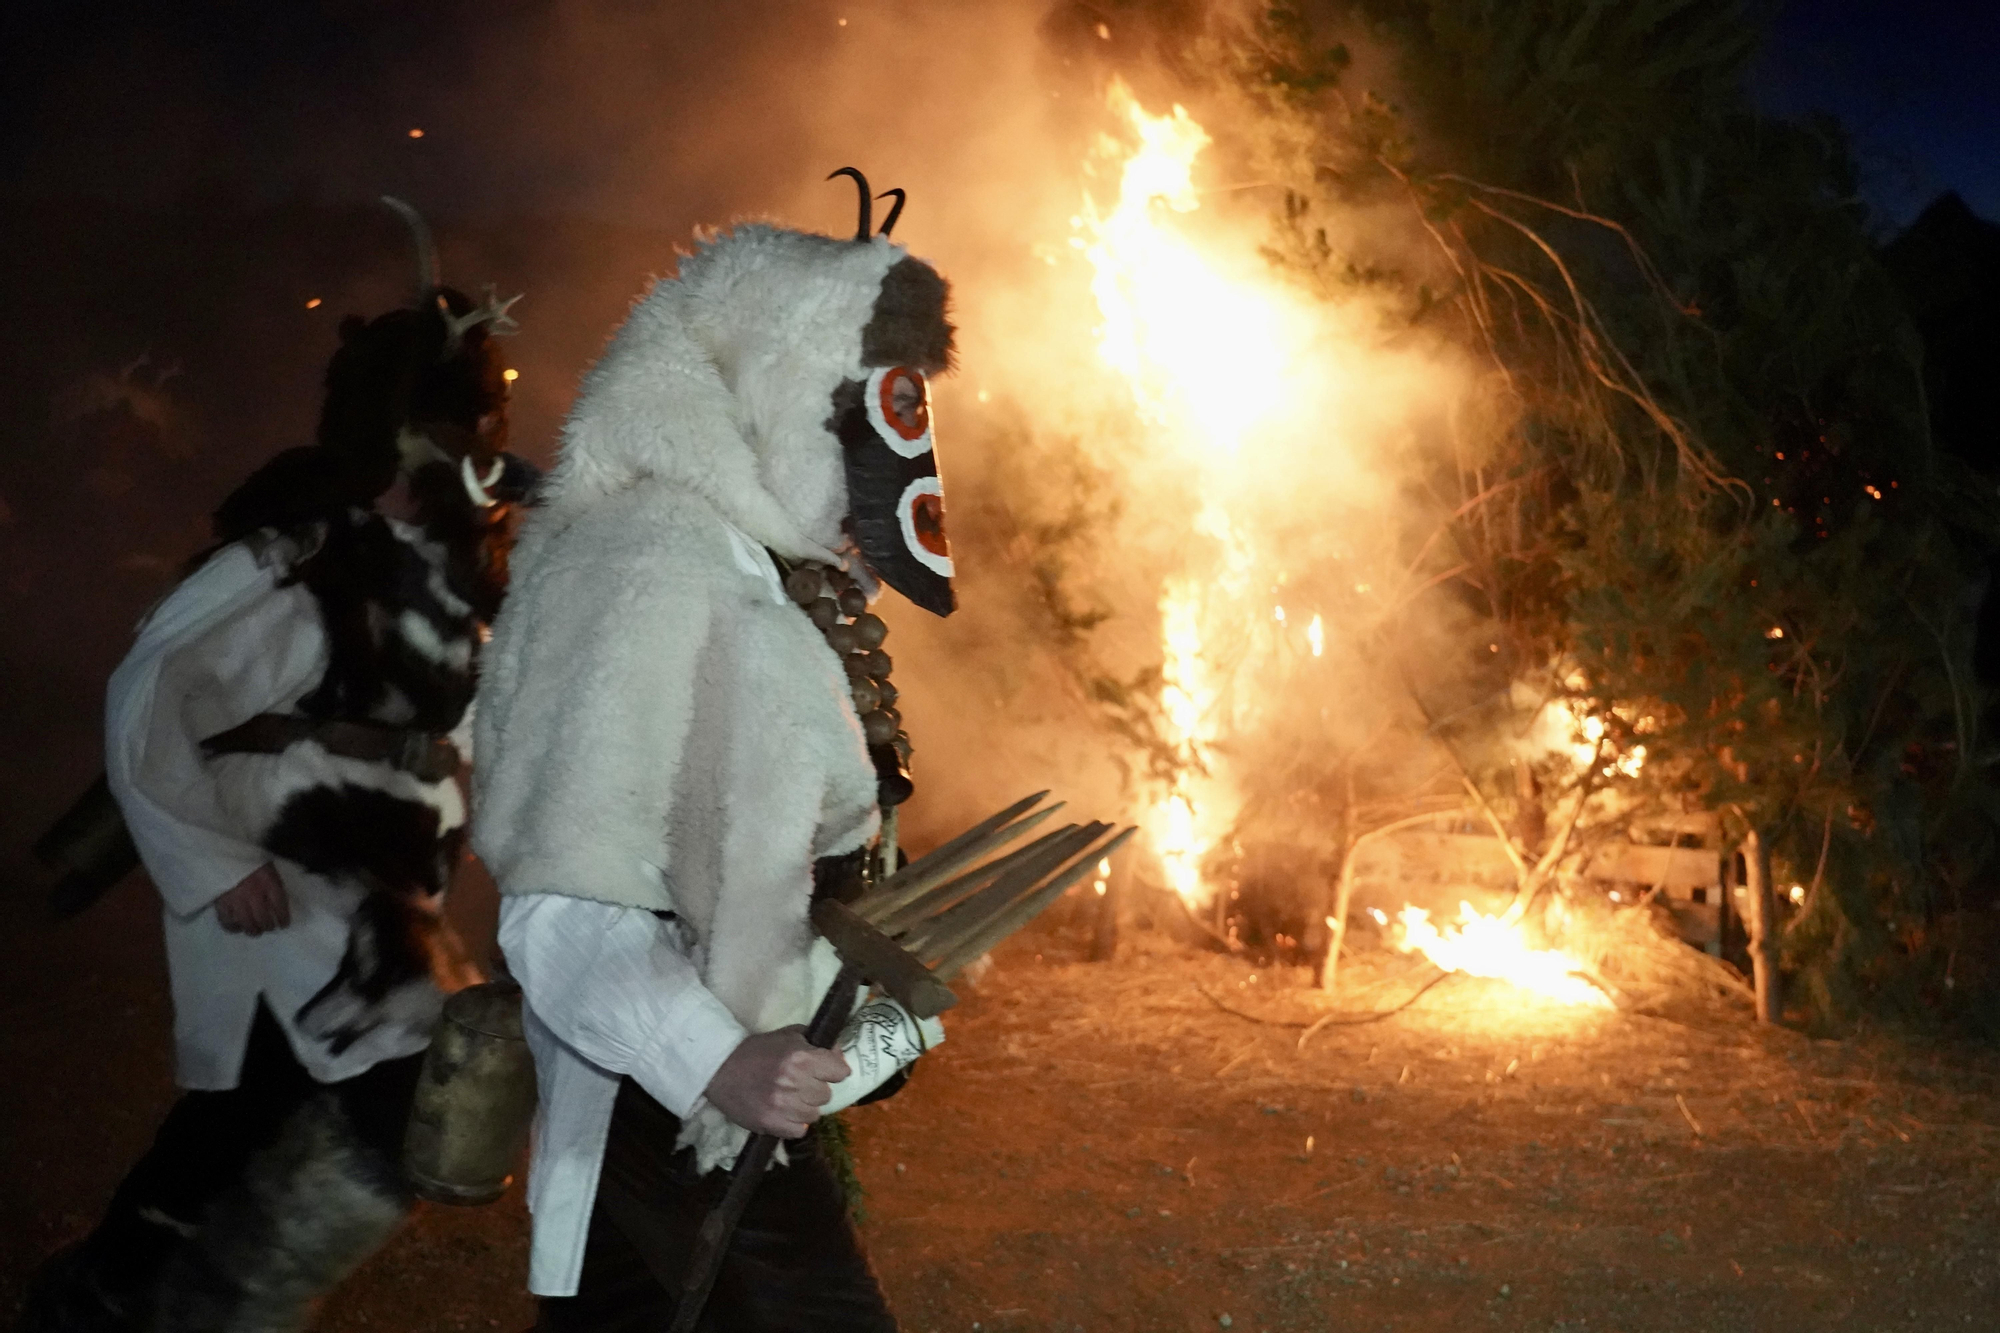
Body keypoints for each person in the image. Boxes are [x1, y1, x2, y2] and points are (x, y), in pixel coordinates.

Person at [17, 200, 533, 1333]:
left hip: (382, 891)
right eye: (460, 431)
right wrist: (208, 861)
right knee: (352, 1102)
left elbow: (484, 726)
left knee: (260, 1117)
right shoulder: (300, 561)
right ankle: (161, 1306)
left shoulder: (447, 579)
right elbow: (154, 690)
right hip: (278, 880)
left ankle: (111, 1301)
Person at [471, 172, 958, 1330]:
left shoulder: (760, 565)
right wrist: (712, 1061)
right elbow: (559, 900)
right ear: (781, 399)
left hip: (744, 1083)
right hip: (675, 1104)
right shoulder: (639, 563)